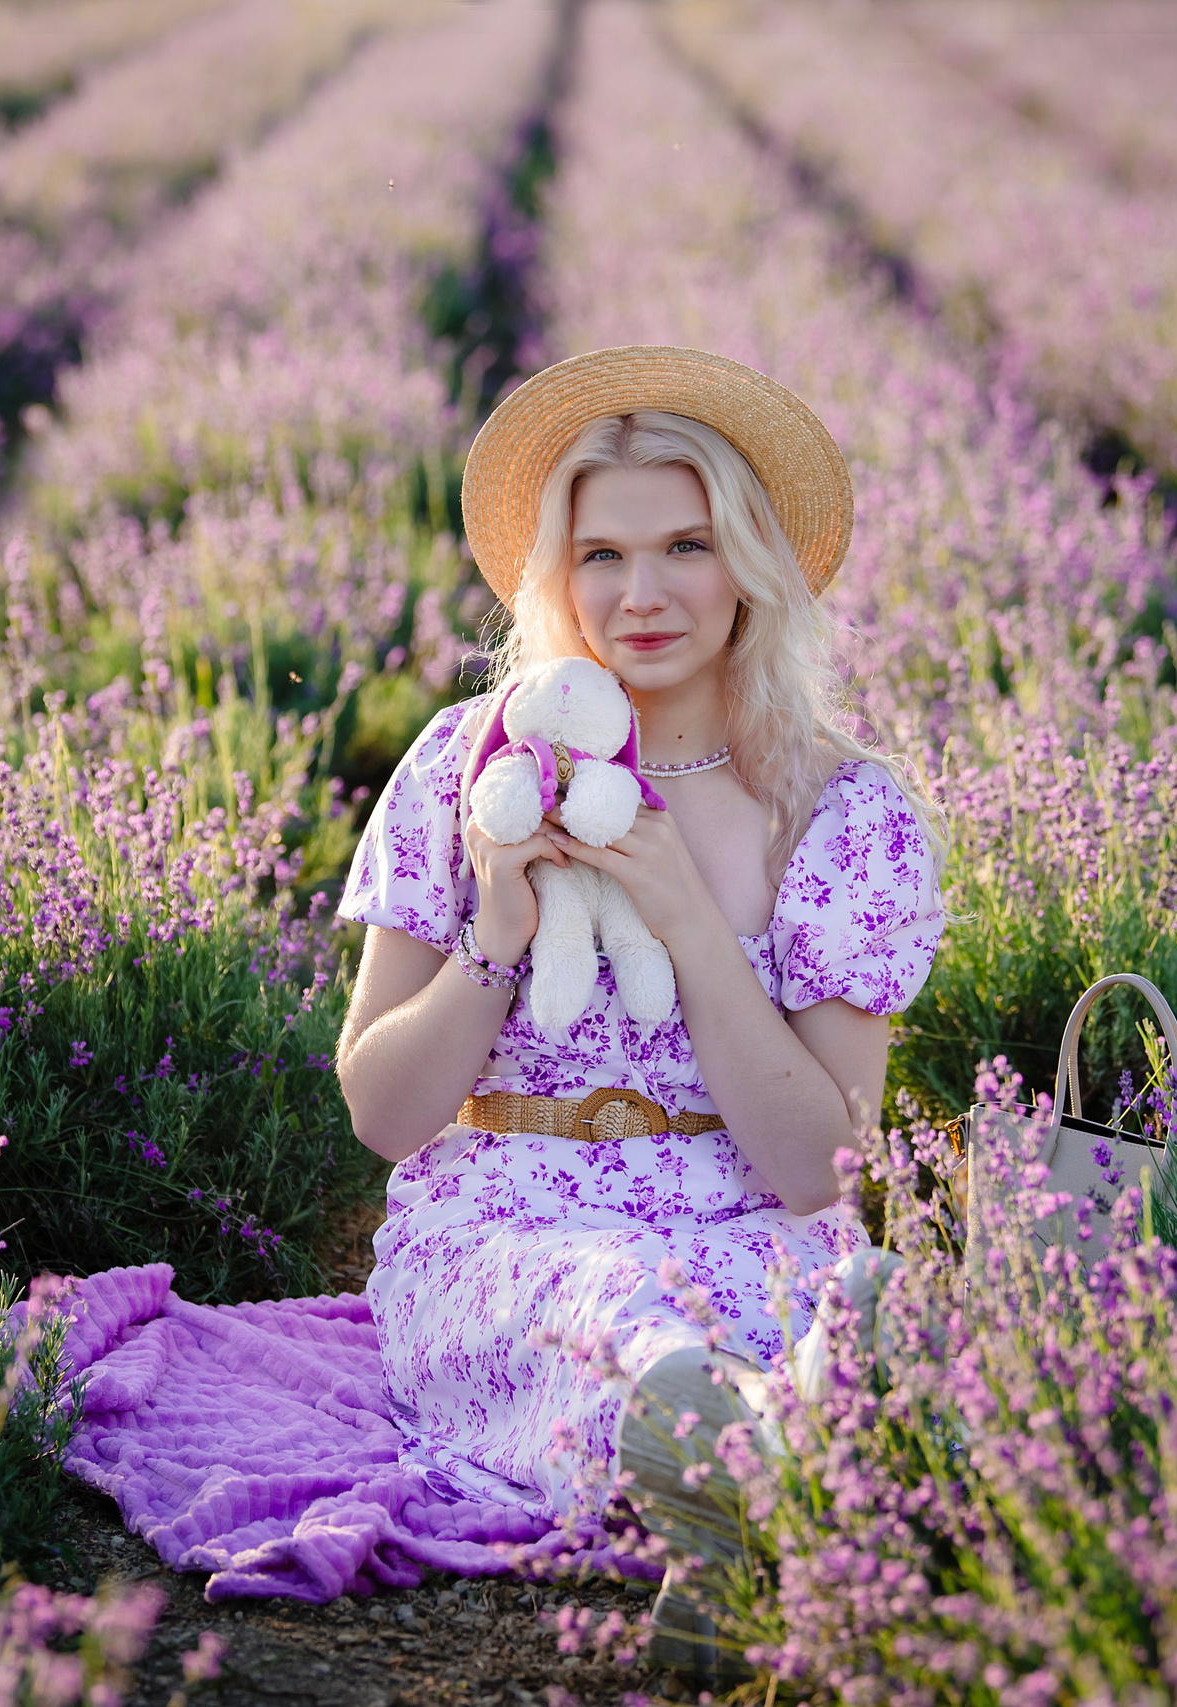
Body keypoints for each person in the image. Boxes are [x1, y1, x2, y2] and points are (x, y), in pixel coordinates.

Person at [331, 346, 942, 1672]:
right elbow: (384, 1117)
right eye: (601, 555)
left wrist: (683, 920)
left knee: (841, 1306)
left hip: (748, 1228)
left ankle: (753, 1489)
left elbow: (811, 1168)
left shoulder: (844, 814)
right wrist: (497, 934)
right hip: (502, 1229)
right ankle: (779, 1473)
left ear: (754, 565)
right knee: (612, 1319)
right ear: (557, 576)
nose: (643, 593)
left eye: (686, 544)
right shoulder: (468, 766)